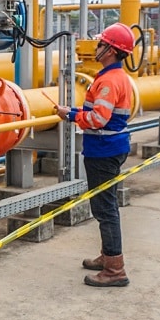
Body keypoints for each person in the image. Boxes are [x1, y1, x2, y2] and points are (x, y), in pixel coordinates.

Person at [54, 23, 135, 288]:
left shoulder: (109, 81)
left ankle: (115, 269)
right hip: (110, 148)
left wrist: (71, 116)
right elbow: (99, 111)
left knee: (105, 209)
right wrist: (74, 110)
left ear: (111, 50)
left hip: (103, 151)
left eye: (100, 44)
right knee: (105, 207)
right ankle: (108, 257)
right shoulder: (115, 77)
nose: (96, 47)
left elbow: (98, 119)